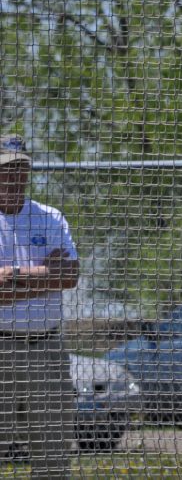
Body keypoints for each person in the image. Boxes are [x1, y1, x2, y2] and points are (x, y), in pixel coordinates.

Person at [0, 134, 79, 478]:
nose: (15, 177)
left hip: (47, 349)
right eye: (7, 169)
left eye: (21, 169)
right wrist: (44, 274)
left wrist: (13, 275)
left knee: (53, 458)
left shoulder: (50, 217)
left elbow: (70, 275)